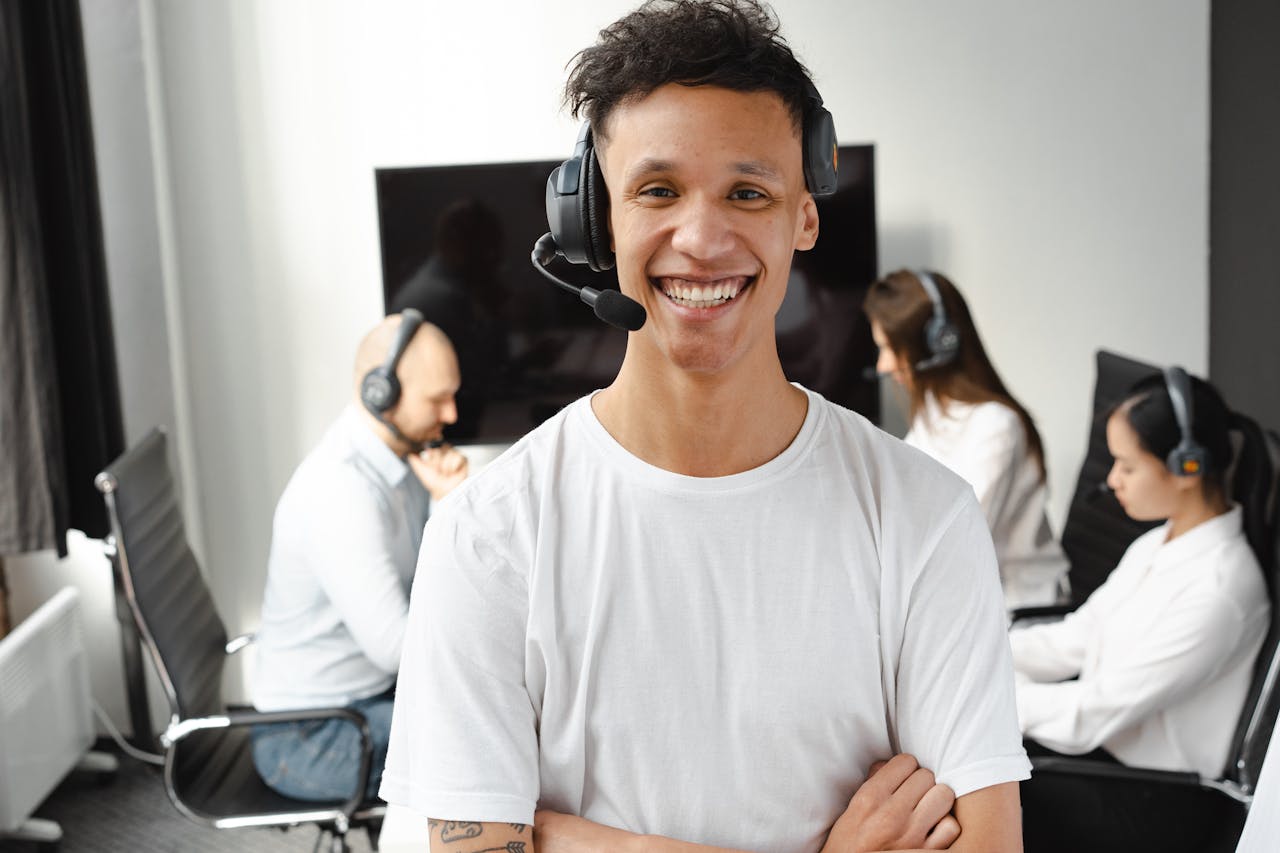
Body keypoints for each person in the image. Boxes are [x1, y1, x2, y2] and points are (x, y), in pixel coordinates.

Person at [380, 2, 1029, 851]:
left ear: (804, 215)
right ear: (595, 220)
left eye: (747, 191)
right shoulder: (490, 531)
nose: (702, 236)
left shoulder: (927, 516)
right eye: (657, 190)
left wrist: (566, 838)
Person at [1012, 369, 1271, 850]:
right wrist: (978, 653)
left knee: (979, 789)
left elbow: (1092, 713)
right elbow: (1077, 636)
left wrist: (996, 692)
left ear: (1187, 466)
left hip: (1158, 802)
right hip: (1107, 758)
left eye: (1127, 467)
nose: (1111, 481)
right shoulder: (1158, 543)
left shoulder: (1221, 592)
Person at [250, 310, 469, 801]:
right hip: (312, 736)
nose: (452, 414)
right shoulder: (340, 492)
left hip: (367, 700)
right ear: (381, 393)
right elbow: (399, 649)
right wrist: (453, 511)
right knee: (492, 732)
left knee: (506, 707)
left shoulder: (404, 459)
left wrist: (444, 507)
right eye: (438, 399)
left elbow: (422, 590)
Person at [863, 269, 1069, 609]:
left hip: (1015, 609)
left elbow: (952, 541)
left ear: (938, 342)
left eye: (889, 349)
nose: (883, 366)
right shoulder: (933, 411)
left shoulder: (997, 426)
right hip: (955, 599)